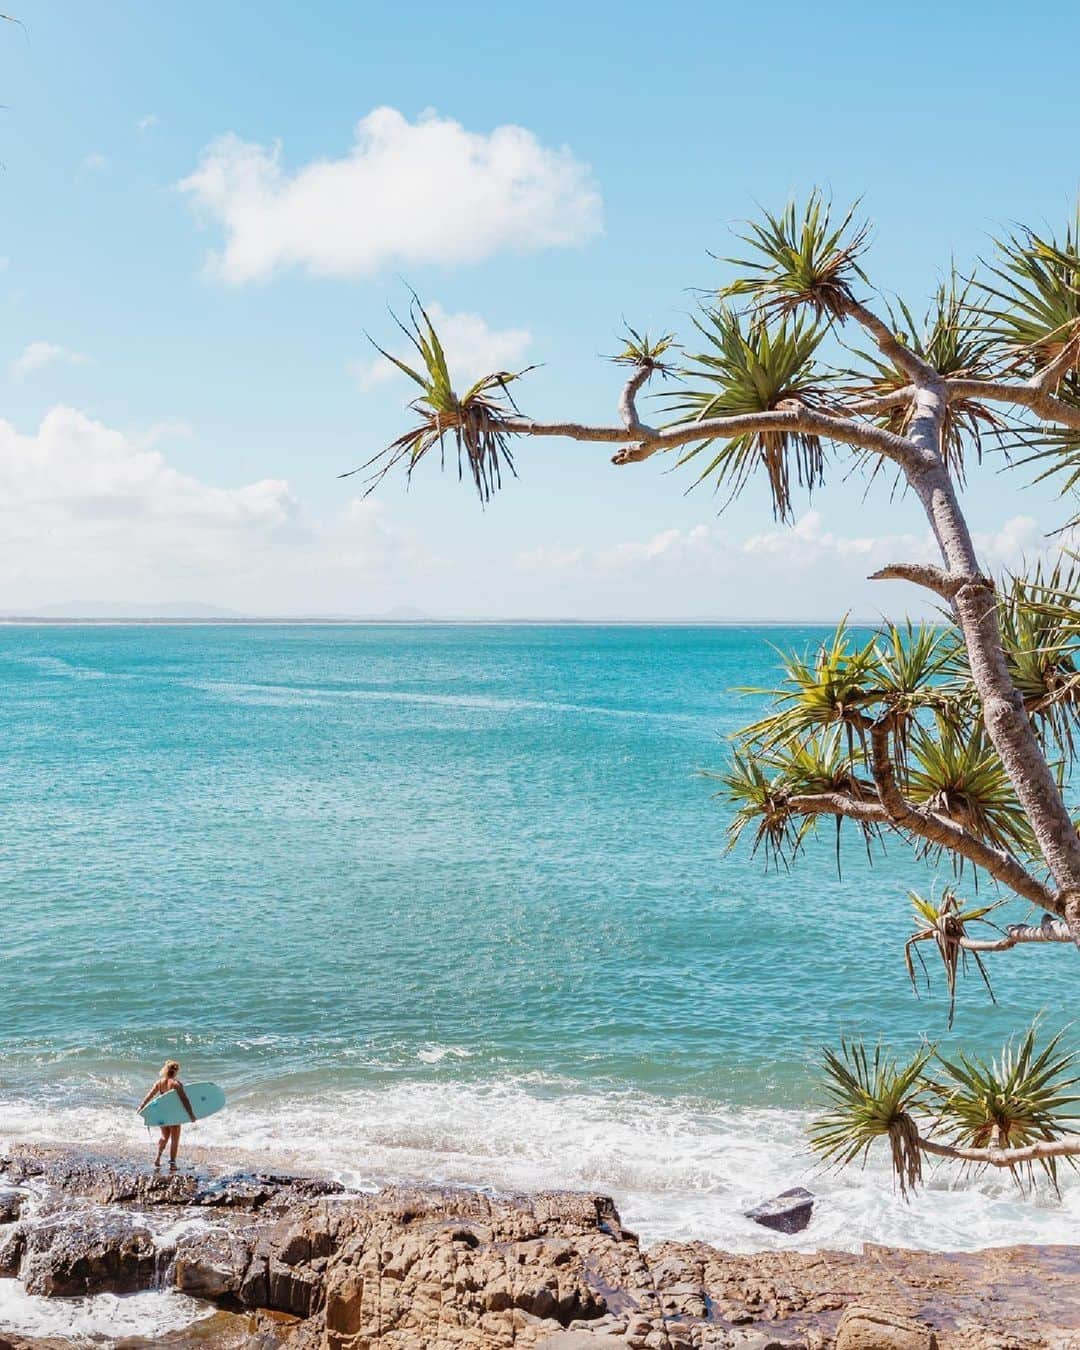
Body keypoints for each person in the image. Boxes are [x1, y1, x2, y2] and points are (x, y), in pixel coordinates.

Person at [137, 1059, 197, 1169]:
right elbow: (185, 1100)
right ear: (176, 1071)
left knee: (164, 1137)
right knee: (175, 1139)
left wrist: (141, 1107)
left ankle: (157, 1158)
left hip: (162, 1113)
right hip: (173, 1115)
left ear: (166, 1070)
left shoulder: (159, 1083)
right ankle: (172, 1164)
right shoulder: (176, 1084)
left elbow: (150, 1096)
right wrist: (191, 1115)